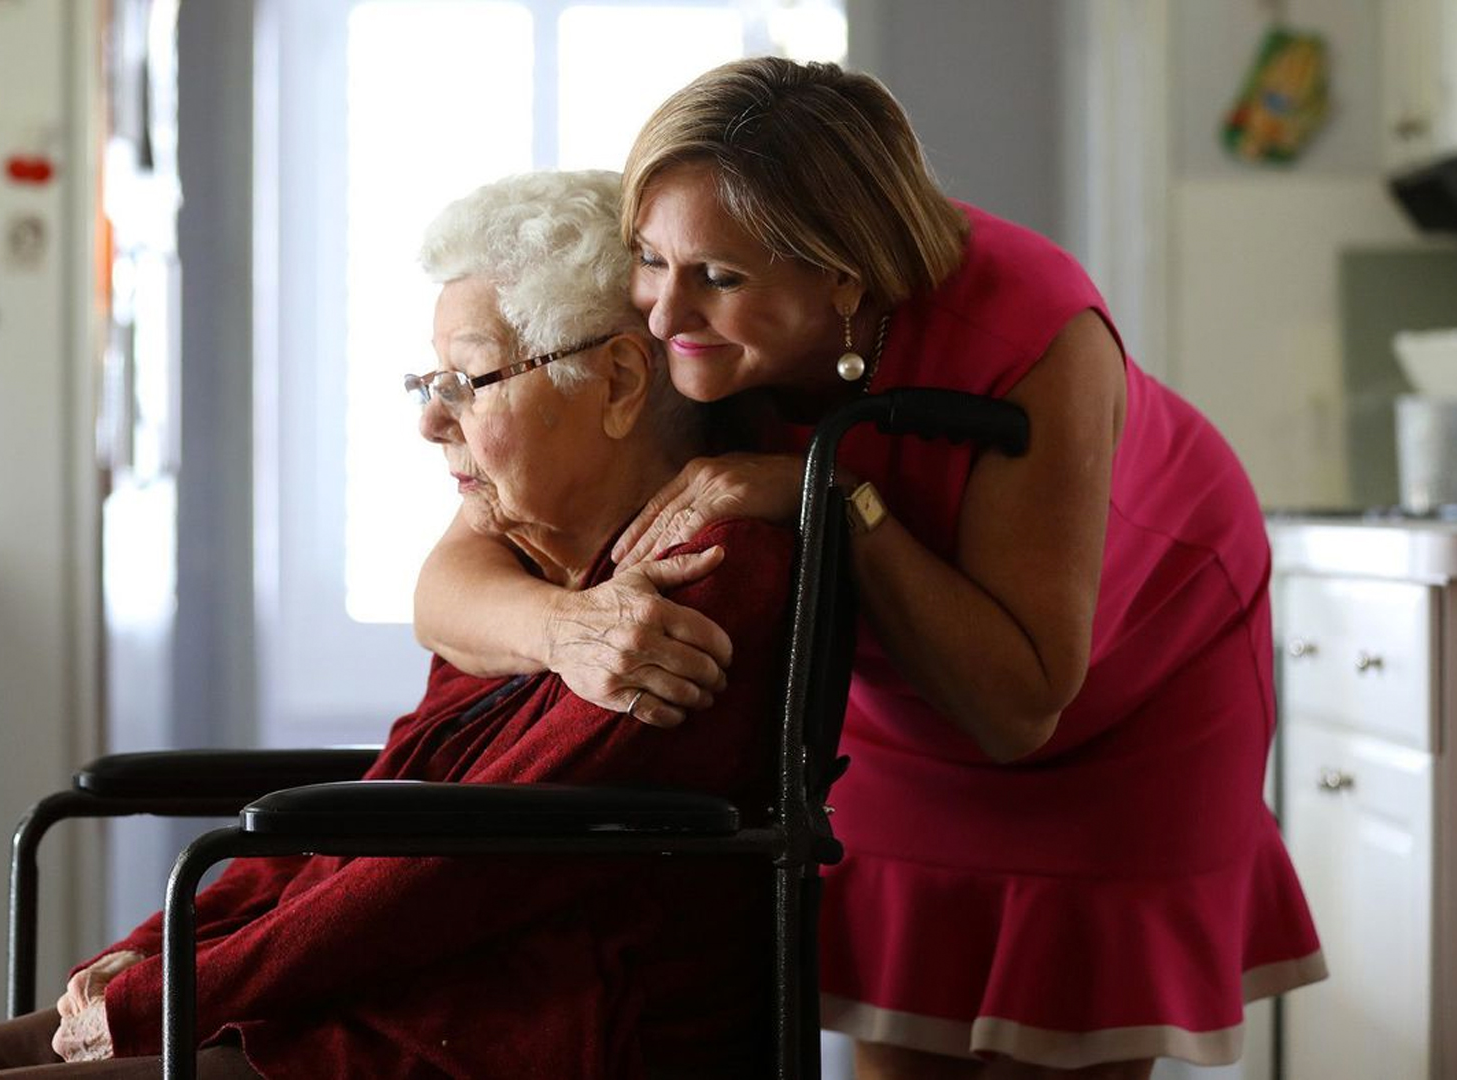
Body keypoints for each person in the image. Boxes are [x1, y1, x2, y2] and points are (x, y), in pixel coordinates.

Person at [412, 58, 1325, 1079]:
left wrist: (830, 492)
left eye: (717, 277)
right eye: (648, 257)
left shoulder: (1035, 335)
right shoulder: (671, 323)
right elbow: (450, 579)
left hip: (1132, 671)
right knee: (902, 1041)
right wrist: (563, 631)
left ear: (839, 274)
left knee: (1065, 1038)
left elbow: (1020, 711)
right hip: (900, 698)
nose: (665, 314)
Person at [0, 169, 794, 1080]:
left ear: (622, 383)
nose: (433, 420)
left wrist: (171, 991)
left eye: (469, 379)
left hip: (500, 1026)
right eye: (428, 382)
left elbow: (441, 877)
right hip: (371, 992)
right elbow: (374, 819)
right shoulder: (530, 559)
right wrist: (160, 951)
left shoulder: (697, 579)